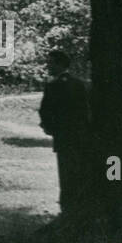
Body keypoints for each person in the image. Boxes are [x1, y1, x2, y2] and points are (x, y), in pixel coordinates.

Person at [38, 49, 91, 217]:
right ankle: (78, 205)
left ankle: (68, 207)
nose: (48, 66)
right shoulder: (81, 84)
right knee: (78, 171)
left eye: (51, 62)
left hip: (64, 136)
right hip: (82, 136)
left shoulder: (53, 86)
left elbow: (45, 111)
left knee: (67, 172)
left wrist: (51, 129)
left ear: (60, 64)